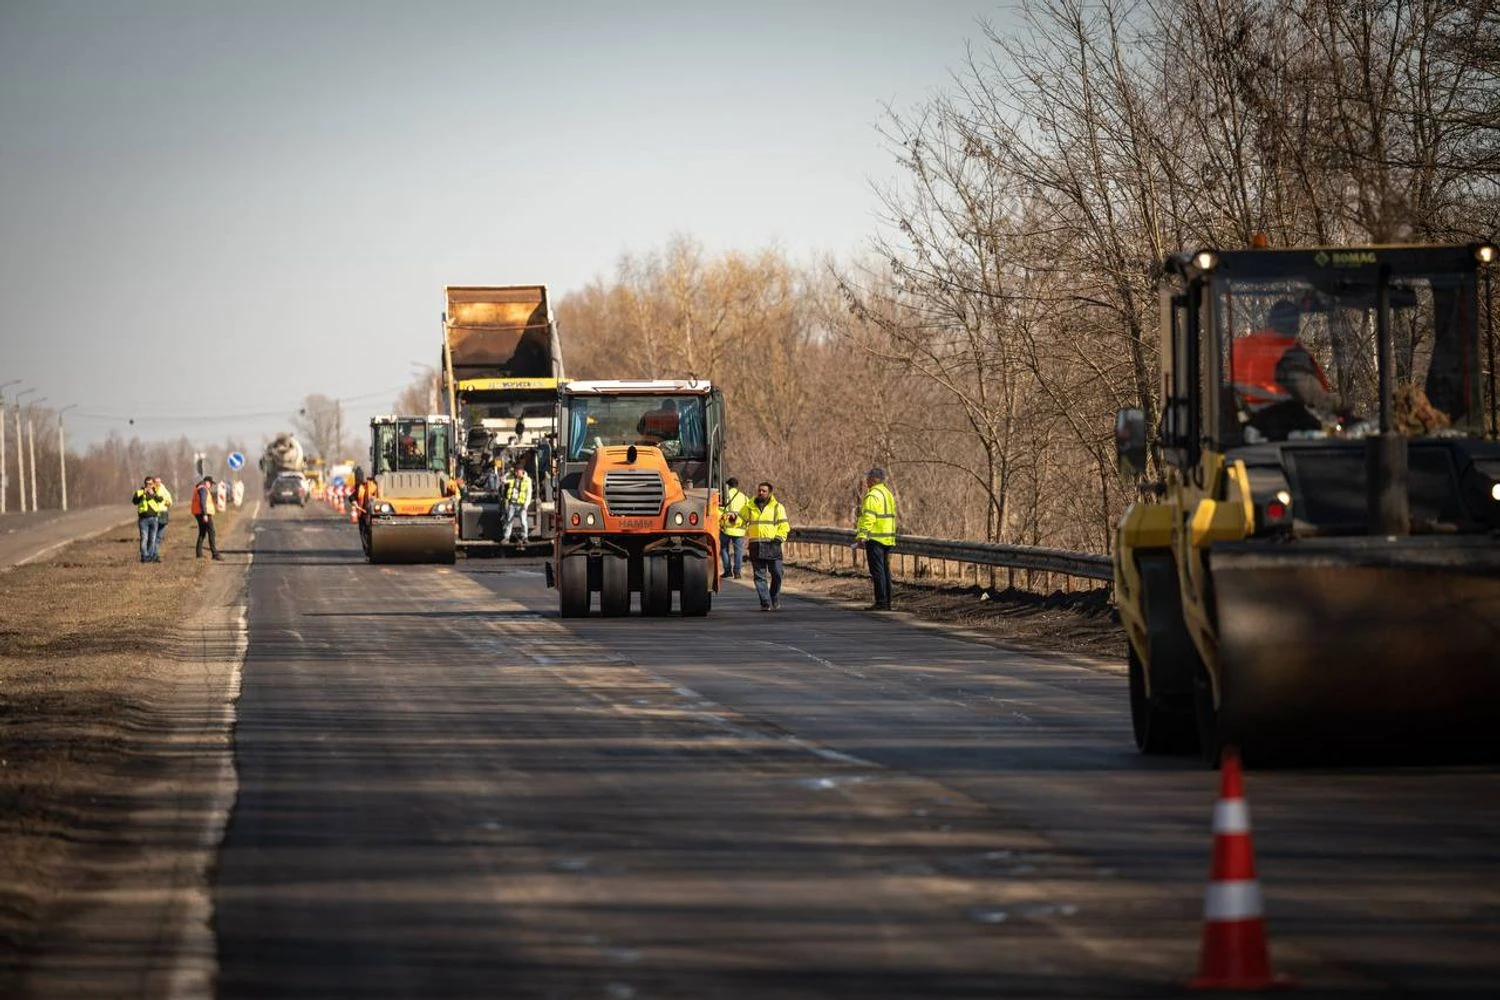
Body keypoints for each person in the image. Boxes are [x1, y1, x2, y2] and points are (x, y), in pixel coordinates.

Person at [1231, 299, 1343, 440]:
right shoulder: (1289, 351)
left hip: (1245, 425)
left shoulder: (1240, 346)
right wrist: (1341, 407)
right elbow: (1312, 395)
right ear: (1295, 324)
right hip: (1284, 425)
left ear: (1270, 322)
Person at [853, 467, 897, 611]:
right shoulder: (888, 494)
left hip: (876, 538)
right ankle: (887, 601)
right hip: (888, 538)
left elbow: (869, 518)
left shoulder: (872, 496)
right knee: (885, 571)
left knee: (877, 571)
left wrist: (862, 536)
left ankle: (881, 602)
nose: (866, 481)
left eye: (868, 478)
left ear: (873, 480)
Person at [743, 480, 789, 611]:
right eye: (759, 490)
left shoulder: (777, 507)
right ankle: (765, 602)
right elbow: (739, 519)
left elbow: (784, 525)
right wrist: (731, 518)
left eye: (764, 491)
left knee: (777, 573)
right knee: (759, 576)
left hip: (772, 544)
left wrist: (780, 538)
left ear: (770, 493)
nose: (760, 493)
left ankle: (774, 596)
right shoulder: (749, 506)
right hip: (756, 545)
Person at [719, 477, 749, 580]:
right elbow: (748, 512)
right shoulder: (745, 498)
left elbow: (719, 511)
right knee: (738, 551)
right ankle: (737, 573)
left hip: (725, 528)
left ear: (728, 486)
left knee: (723, 549)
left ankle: (727, 571)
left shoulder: (724, 497)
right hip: (740, 529)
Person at [132, 476, 163, 563]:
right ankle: (144, 556)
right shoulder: (140, 492)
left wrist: (153, 494)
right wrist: (143, 494)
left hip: (154, 518)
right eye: (146, 484)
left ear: (153, 484)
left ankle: (150, 556)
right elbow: (134, 501)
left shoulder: (156, 491)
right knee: (144, 538)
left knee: (152, 539)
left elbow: (161, 499)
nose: (148, 485)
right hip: (143, 519)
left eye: (150, 484)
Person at [192, 475, 224, 560]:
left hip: (198, 512)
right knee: (211, 532)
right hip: (204, 513)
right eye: (210, 484)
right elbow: (202, 502)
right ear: (207, 482)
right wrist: (205, 514)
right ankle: (214, 553)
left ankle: (199, 554)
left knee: (202, 532)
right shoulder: (203, 489)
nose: (211, 486)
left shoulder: (199, 487)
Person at [500, 460, 533, 544]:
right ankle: (506, 537)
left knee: (523, 521)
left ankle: (525, 537)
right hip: (512, 503)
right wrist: (508, 473)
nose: (516, 473)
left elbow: (529, 493)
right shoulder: (512, 478)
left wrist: (526, 504)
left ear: (522, 471)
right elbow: (503, 480)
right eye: (515, 471)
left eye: (517, 471)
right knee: (509, 520)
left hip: (521, 504)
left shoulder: (527, 480)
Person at [151, 476, 172, 559]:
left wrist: (168, 503)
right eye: (156, 481)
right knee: (153, 535)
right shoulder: (151, 489)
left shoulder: (164, 489)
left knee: (159, 536)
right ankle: (154, 554)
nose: (158, 483)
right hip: (154, 514)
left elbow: (170, 500)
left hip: (163, 513)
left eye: (159, 481)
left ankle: (155, 554)